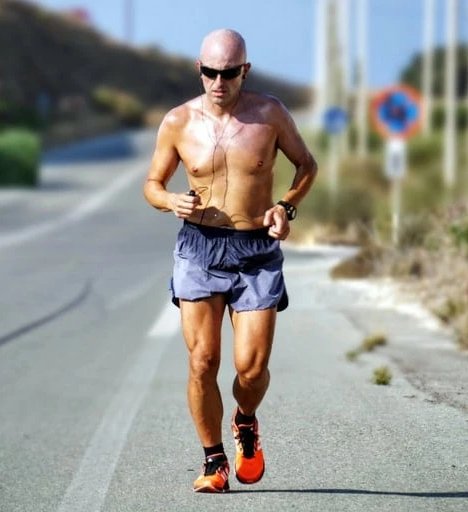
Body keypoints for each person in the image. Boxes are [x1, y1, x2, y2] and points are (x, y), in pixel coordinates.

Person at [142, 28, 318, 493]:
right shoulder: (178, 121)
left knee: (251, 369)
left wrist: (286, 207)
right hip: (199, 246)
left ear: (245, 70)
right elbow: (152, 183)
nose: (218, 82)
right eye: (209, 72)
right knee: (203, 360)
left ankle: (245, 419)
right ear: (198, 69)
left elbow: (307, 165)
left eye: (229, 73)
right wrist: (168, 201)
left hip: (256, 249)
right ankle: (214, 460)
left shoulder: (270, 114)